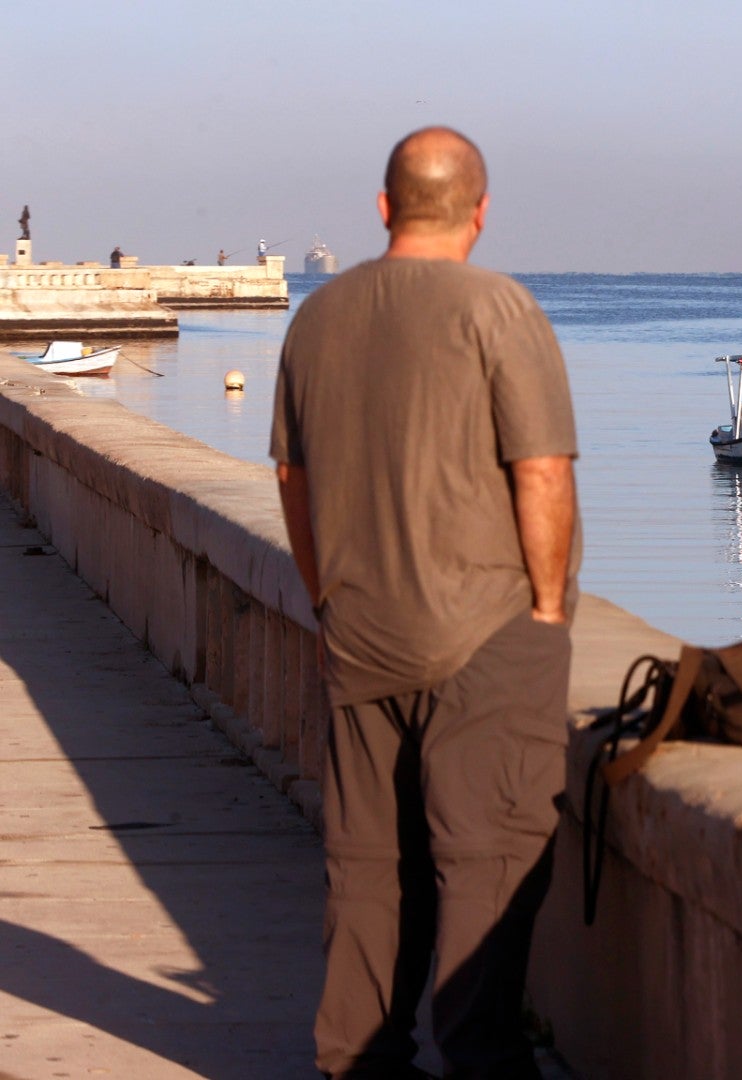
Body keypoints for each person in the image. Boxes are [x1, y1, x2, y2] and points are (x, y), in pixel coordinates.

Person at [271, 126, 579, 1079]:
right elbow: (540, 473)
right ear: (480, 212)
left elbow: (291, 477)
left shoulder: (315, 319)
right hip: (484, 636)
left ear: (383, 207)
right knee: (487, 861)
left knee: (369, 870)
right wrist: (548, 616)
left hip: (360, 634)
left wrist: (328, 600)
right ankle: (481, 1056)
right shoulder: (499, 308)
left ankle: (355, 1060)